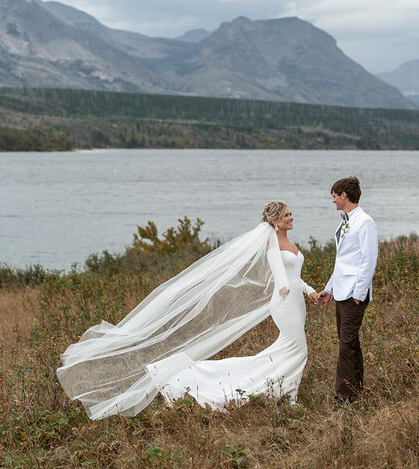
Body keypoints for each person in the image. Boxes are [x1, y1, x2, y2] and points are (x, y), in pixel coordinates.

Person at [57, 201, 319, 419]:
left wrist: (312, 293)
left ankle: (281, 391)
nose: (291, 217)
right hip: (284, 303)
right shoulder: (272, 243)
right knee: (297, 348)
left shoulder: (291, 243)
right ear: (275, 221)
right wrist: (283, 288)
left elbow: (295, 275)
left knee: (288, 349)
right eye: (286, 215)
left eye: (290, 214)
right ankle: (288, 397)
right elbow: (278, 271)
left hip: (296, 300)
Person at [317, 176, 379, 404]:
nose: (332, 200)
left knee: (345, 347)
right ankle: (356, 393)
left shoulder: (365, 222)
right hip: (341, 292)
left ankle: (342, 399)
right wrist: (329, 290)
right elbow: (343, 261)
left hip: (354, 295)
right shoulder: (346, 221)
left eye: (334, 195)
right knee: (351, 345)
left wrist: (358, 295)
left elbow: (368, 260)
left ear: (344, 195)